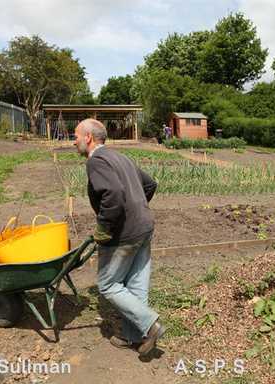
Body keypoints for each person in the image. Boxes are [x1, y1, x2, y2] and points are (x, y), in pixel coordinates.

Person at [74, 119, 165, 355]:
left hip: (124, 234)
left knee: (107, 284)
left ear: (88, 138)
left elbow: (112, 194)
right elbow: (150, 184)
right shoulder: (120, 157)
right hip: (144, 226)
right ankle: (132, 335)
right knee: (136, 284)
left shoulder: (96, 161)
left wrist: (104, 227)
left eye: (75, 136)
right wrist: (137, 209)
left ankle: (150, 324)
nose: (73, 141)